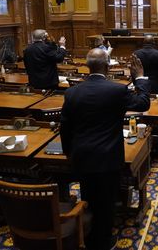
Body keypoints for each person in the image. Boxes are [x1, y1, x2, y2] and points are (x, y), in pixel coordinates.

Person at [60, 48, 150, 250]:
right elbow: (143, 103)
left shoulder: (72, 92)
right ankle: (102, 242)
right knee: (107, 202)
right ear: (108, 65)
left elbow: (64, 126)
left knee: (88, 196)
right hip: (107, 157)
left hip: (82, 156)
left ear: (87, 66)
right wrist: (140, 78)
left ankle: (88, 234)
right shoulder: (116, 90)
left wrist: (68, 152)